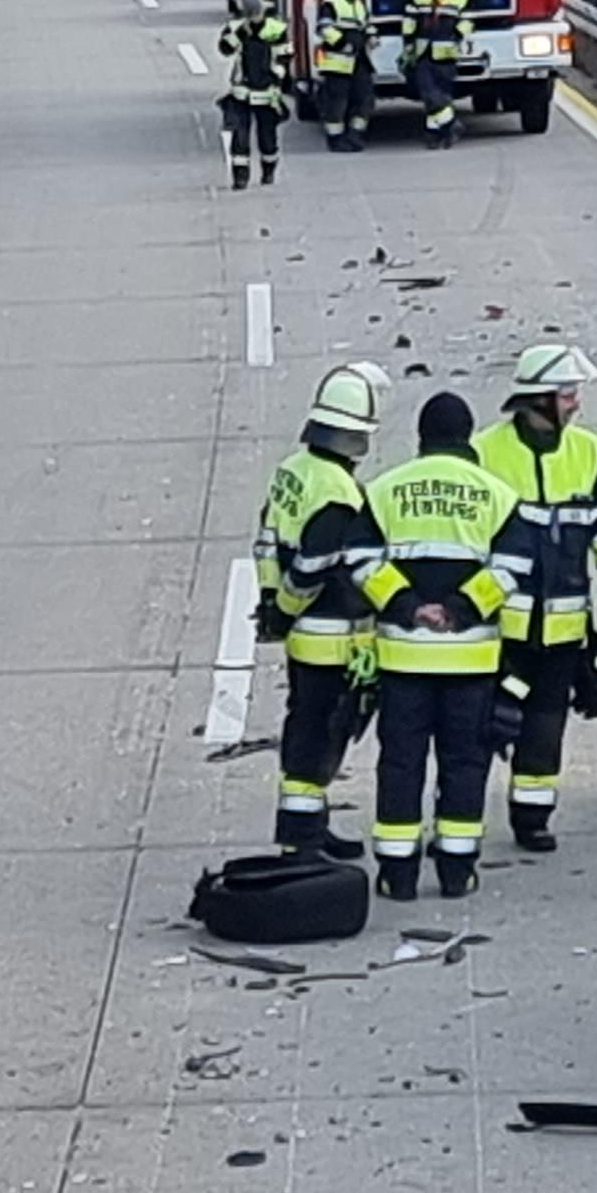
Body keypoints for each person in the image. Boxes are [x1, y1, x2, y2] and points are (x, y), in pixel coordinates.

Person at [359, 390, 521, 899]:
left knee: (401, 763)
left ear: (422, 438)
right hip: (470, 659)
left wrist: (411, 608)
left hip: (404, 658)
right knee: (465, 764)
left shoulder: (386, 489)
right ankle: (457, 872)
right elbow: (516, 569)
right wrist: (462, 608)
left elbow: (361, 562)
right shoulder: (495, 492)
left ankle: (397, 875)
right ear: (467, 436)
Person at [473, 345, 597, 852]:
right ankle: (461, 816)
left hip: (564, 624)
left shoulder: (588, 451)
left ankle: (532, 816)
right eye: (567, 395)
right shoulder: (484, 452)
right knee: (484, 725)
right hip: (499, 625)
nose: (576, 405)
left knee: (546, 724)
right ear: (537, 400)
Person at [255, 366, 385, 858]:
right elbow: (313, 569)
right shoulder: (337, 494)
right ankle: (303, 836)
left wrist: (272, 605)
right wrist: (287, 607)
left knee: (306, 725)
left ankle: (306, 825)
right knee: (323, 733)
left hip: (303, 637)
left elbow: (267, 542)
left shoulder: (292, 470)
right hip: (330, 638)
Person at [218, 0, 296, 189]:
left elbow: (285, 57)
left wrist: (277, 81)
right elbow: (225, 49)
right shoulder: (235, 28)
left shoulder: (276, 29)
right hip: (241, 93)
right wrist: (241, 33)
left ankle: (268, 172)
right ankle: (240, 178)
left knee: (267, 138)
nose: (253, 18)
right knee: (239, 138)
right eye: (250, 14)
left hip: (267, 93)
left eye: (256, 14)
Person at [402, 0, 478, 146]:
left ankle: (435, 135)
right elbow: (410, 16)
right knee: (427, 92)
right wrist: (408, 39)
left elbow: (469, 17)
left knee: (442, 95)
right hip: (423, 50)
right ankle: (452, 123)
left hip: (447, 51)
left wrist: (458, 34)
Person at [311, 0, 375, 151]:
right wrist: (341, 44)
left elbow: (367, 26)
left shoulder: (360, 5)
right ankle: (336, 139)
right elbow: (324, 28)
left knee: (365, 98)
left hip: (358, 60)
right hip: (336, 63)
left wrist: (372, 37)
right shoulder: (331, 2)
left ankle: (355, 135)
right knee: (336, 102)